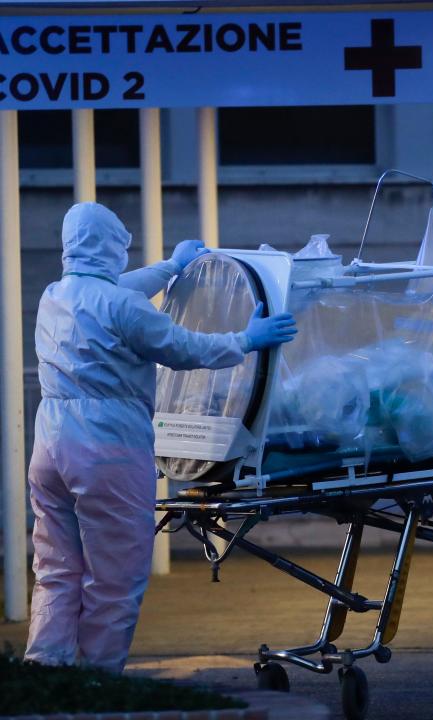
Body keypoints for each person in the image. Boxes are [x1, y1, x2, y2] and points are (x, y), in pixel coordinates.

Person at [24, 202, 297, 674]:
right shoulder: (123, 306)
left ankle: (47, 674)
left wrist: (172, 267)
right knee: (114, 576)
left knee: (56, 570)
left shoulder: (56, 295)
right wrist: (247, 340)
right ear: (113, 246)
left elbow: (115, 292)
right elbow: (183, 348)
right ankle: (98, 684)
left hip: (49, 445)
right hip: (105, 448)